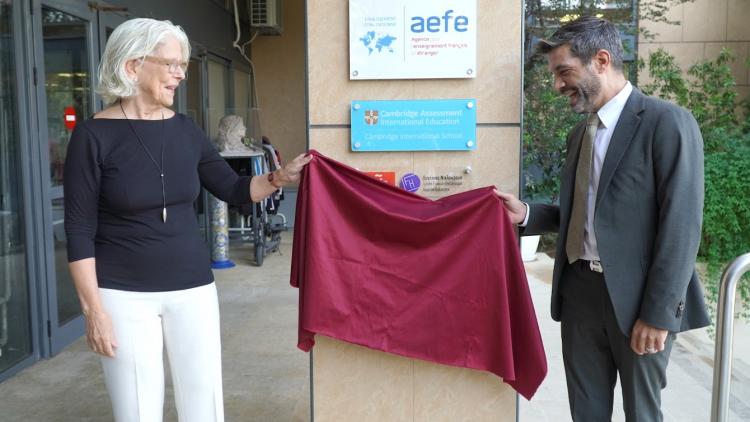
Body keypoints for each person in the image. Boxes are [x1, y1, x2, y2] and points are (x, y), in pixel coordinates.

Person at [63, 18, 311, 422]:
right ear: (133, 66)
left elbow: (232, 189)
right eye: (171, 64)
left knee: (204, 406)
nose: (180, 73)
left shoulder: (185, 130)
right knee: (138, 411)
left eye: (183, 65)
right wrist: (94, 312)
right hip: (123, 295)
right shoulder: (92, 136)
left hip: (193, 288)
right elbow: (78, 230)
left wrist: (280, 177)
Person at [496, 16, 709, 421]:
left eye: (564, 72)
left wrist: (658, 313)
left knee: (641, 414)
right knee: (586, 412)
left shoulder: (667, 123)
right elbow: (587, 216)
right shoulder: (581, 134)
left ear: (601, 59)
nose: (558, 85)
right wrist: (526, 214)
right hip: (580, 295)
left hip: (637, 302)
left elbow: (681, 225)